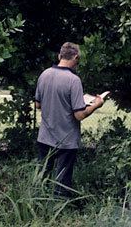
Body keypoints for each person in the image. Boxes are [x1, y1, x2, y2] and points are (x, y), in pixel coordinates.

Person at [34, 42, 106, 197]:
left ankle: (38, 205)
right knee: (61, 182)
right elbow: (79, 115)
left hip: (44, 137)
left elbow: (37, 104)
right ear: (76, 57)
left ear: (59, 56)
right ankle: (59, 211)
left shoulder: (44, 74)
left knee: (42, 176)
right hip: (66, 140)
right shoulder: (74, 80)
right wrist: (96, 105)